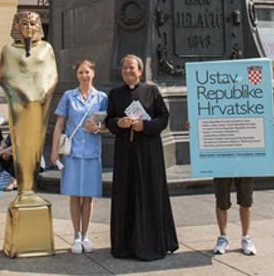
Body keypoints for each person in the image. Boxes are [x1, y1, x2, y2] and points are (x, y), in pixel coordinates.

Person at [105, 54, 178, 261]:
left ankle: (152, 243)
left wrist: (144, 126)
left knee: (149, 193)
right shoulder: (115, 94)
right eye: (125, 68)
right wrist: (119, 123)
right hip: (125, 154)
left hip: (148, 152)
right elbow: (109, 120)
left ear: (140, 71)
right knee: (126, 194)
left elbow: (163, 118)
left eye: (131, 68)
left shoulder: (151, 91)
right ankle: (124, 245)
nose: (128, 71)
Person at [49, 59, 108, 254]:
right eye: (81, 72)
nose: (84, 75)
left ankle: (86, 235)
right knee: (74, 195)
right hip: (72, 152)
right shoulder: (68, 96)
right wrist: (54, 150)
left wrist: (98, 128)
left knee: (88, 197)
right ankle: (75, 235)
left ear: (93, 74)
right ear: (77, 75)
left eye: (87, 72)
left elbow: (107, 124)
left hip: (92, 151)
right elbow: (59, 123)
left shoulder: (101, 97)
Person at [213, 177, 256, 256]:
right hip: (222, 166)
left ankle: (245, 238)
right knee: (221, 201)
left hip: (244, 165)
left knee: (246, 200)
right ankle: (223, 237)